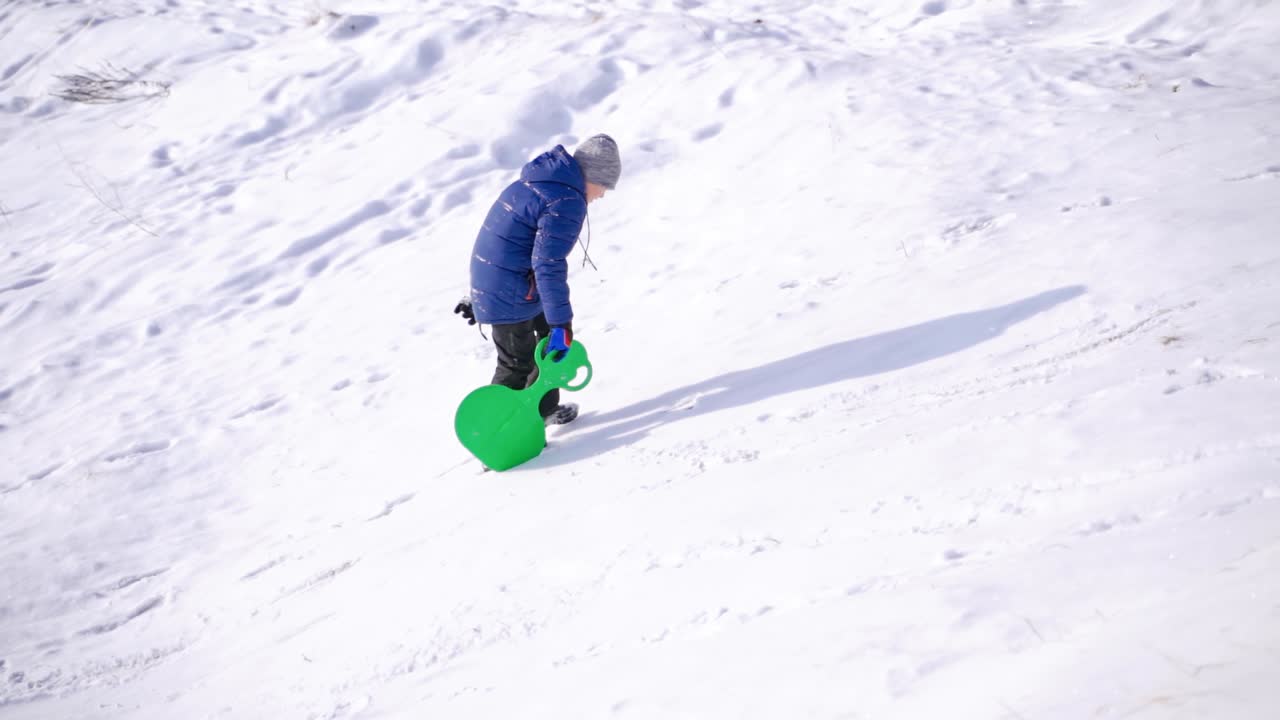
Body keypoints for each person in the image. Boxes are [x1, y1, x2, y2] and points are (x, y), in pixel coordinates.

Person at [455, 134, 621, 425]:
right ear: (592, 176)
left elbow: (501, 240)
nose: (603, 194)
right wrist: (562, 324)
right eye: (604, 184)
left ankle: (541, 412)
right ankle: (500, 432)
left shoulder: (537, 182)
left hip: (509, 283)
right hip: (512, 289)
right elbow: (548, 263)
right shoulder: (566, 200)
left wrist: (479, 293)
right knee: (517, 363)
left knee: (549, 349)